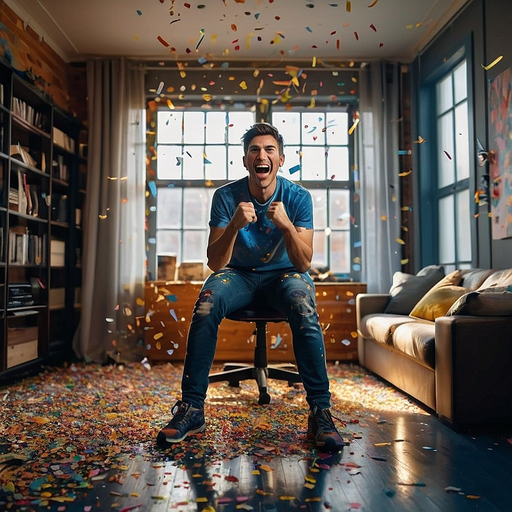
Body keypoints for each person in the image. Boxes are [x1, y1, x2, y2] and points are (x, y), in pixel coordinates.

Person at [157, 122, 346, 453]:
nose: (262, 156)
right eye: (255, 150)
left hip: (286, 275)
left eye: (269, 150)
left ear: (281, 159)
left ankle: (320, 411)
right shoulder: (226, 197)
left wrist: (287, 226)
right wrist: (234, 225)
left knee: (303, 306)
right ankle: (192, 408)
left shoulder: (299, 197)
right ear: (245, 161)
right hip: (238, 274)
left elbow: (303, 264)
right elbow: (215, 262)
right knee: (206, 303)